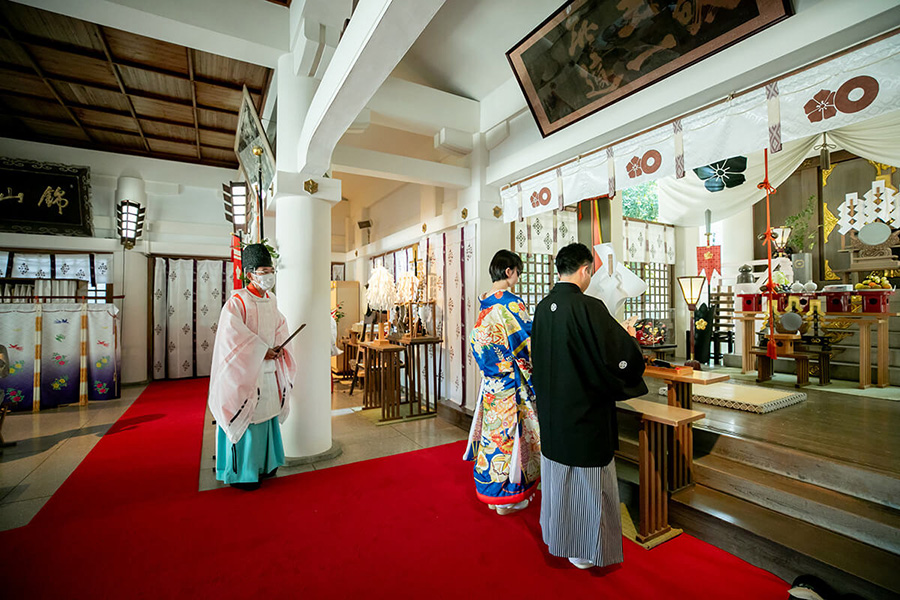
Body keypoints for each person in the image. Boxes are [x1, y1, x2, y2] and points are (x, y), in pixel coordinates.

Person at [531, 242, 647, 569]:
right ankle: (584, 551)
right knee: (587, 484)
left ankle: (559, 539)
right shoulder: (589, 307)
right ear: (584, 270)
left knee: (559, 479)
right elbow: (622, 355)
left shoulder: (542, 308)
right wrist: (627, 338)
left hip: (553, 413)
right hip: (584, 412)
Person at [208, 243, 298, 490]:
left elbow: (280, 326)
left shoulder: (271, 300)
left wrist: (278, 346)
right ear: (250, 274)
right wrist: (261, 351)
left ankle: (267, 465)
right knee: (247, 418)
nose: (269, 275)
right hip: (245, 373)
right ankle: (243, 473)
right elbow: (232, 337)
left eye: (271, 270)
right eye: (264, 271)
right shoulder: (236, 302)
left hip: (269, 371)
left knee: (267, 416)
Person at [464, 250, 541, 515]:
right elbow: (526, 342)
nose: (517, 278)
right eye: (517, 272)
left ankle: (494, 490)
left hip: (491, 383)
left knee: (492, 436)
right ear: (509, 271)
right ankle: (508, 496)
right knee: (512, 436)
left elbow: (481, 342)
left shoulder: (484, 302)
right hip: (510, 383)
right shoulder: (511, 303)